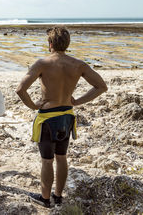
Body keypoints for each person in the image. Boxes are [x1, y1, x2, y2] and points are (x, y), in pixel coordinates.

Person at [16, 26, 107, 207]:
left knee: (47, 160)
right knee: (61, 157)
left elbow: (20, 90)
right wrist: (77, 101)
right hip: (67, 117)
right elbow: (101, 86)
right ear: (67, 44)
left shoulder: (42, 63)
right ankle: (58, 196)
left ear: (50, 44)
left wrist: (34, 105)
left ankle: (45, 198)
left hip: (48, 118)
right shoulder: (78, 64)